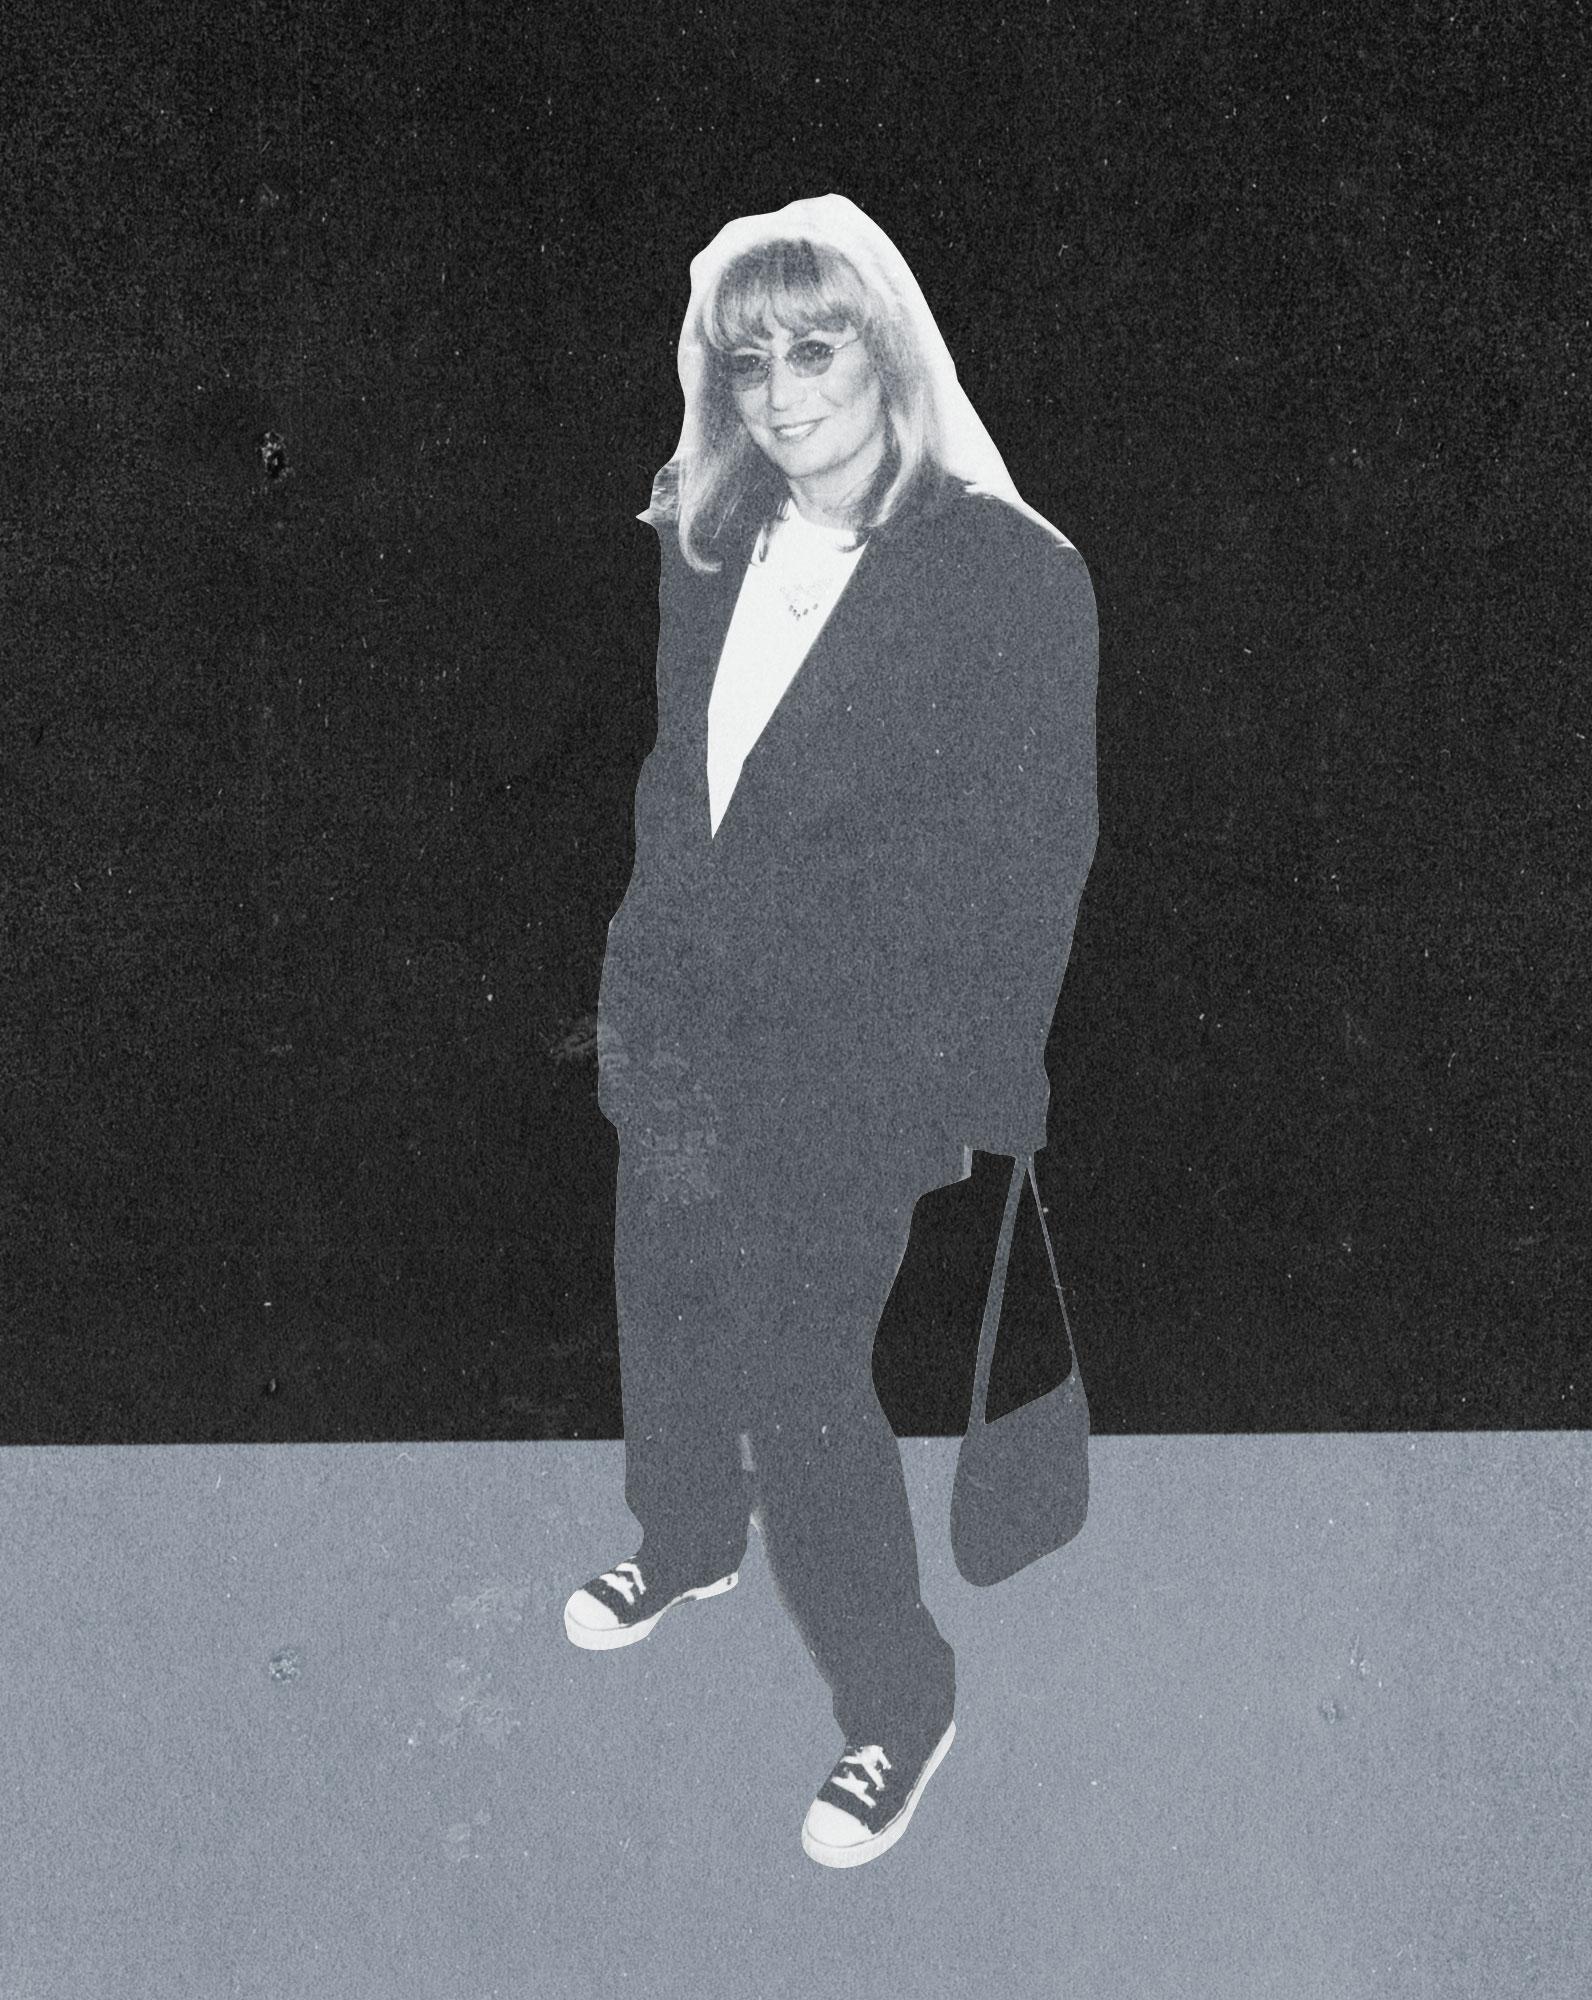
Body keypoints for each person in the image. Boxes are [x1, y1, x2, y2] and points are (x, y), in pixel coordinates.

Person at [565, 194, 1099, 1869]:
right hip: (681, 1014)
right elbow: (685, 773)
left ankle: (898, 1699)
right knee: (662, 1296)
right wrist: (641, 963)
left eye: (818, 350)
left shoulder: (1008, 572)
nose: (786, 393)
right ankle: (685, 1536)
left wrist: (986, 1077)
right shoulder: (708, 533)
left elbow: (1042, 847)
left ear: (889, 354)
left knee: (801, 1377)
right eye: (754, 363)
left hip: (857, 1057)